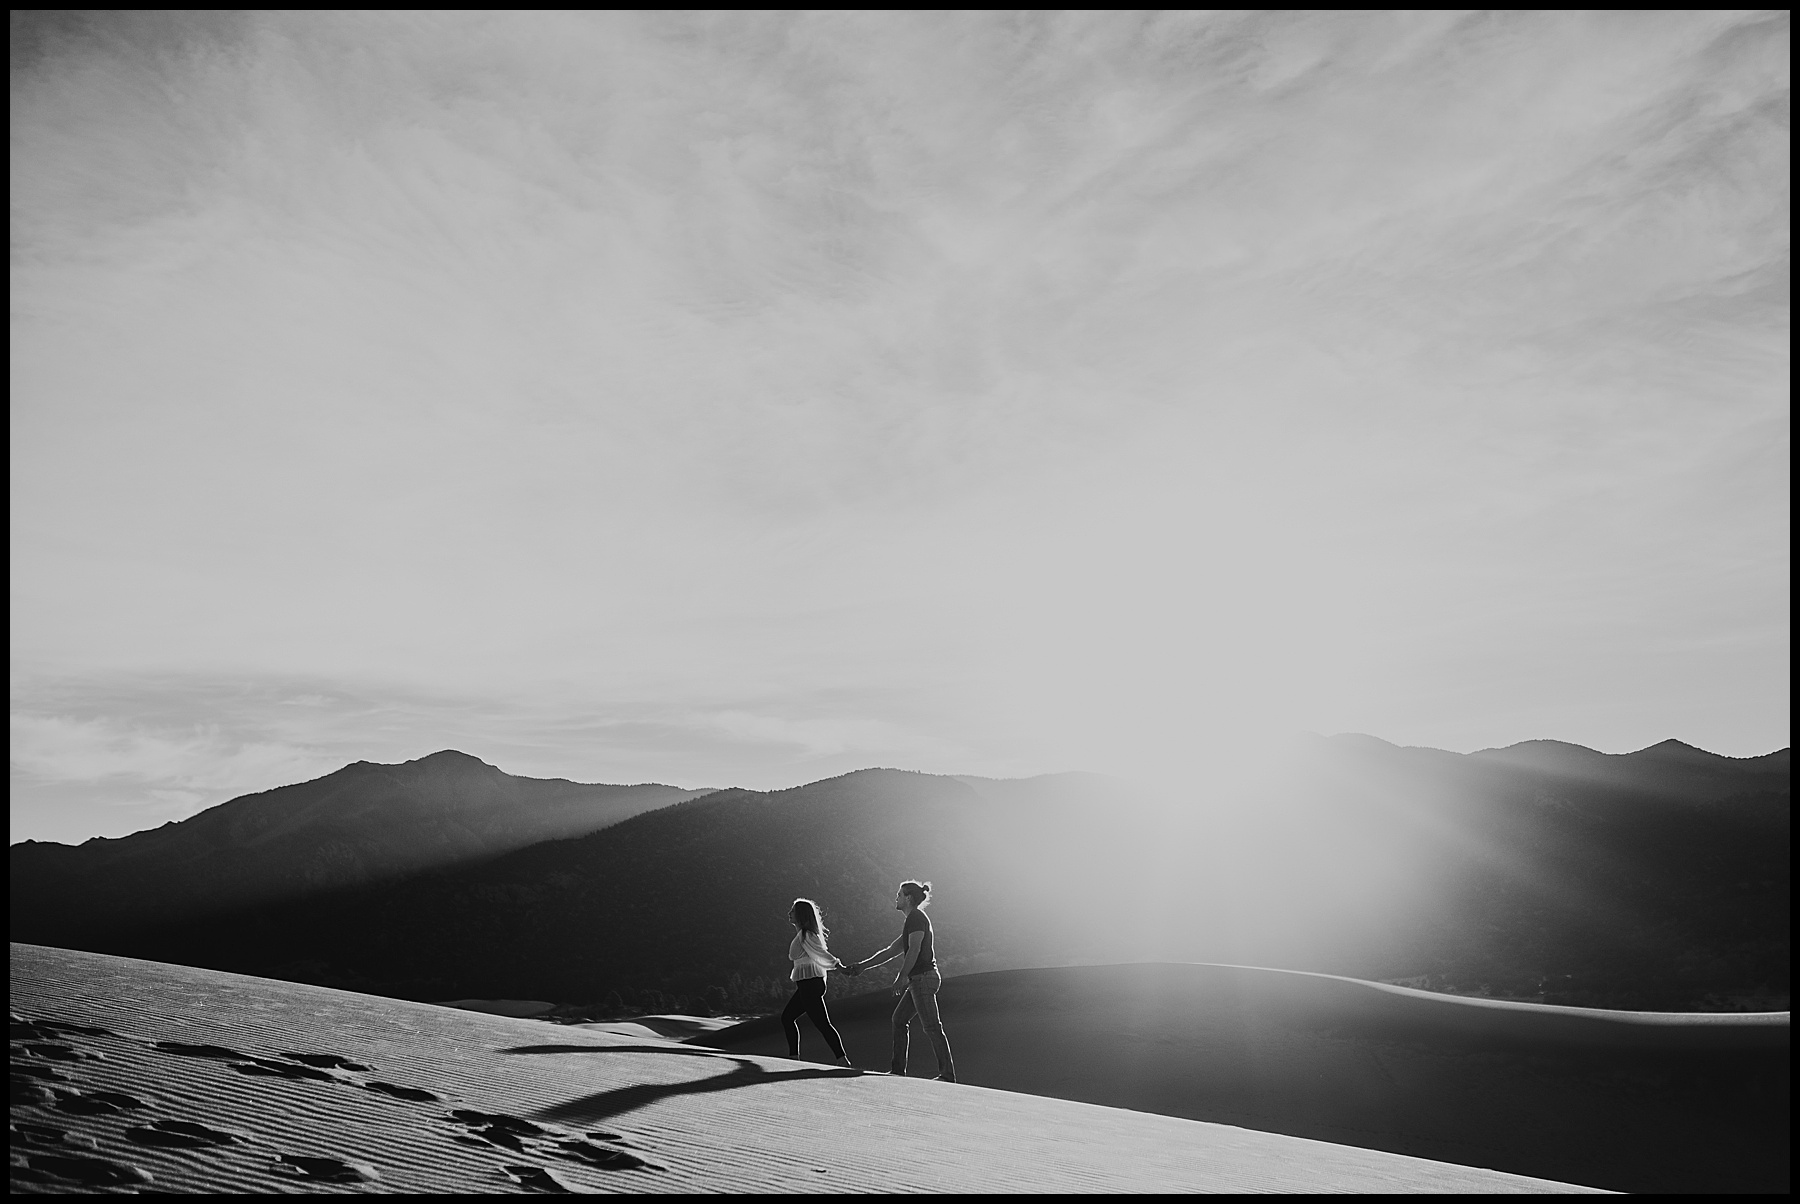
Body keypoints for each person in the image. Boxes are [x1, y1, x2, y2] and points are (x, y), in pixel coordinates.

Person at [844, 880, 956, 1082]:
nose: (896, 898)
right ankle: (897, 1070)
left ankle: (947, 1075)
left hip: (922, 978)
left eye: (899, 895)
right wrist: (862, 966)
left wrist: (902, 975)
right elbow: (890, 952)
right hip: (918, 980)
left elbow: (914, 948)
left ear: (909, 898)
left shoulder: (915, 918)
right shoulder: (912, 920)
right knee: (899, 1020)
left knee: (932, 1027)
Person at [781, 898, 855, 1068]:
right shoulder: (804, 934)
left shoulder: (807, 935)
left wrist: (840, 967)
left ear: (801, 915)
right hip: (808, 984)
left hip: (810, 984)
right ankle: (840, 1059)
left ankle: (841, 1060)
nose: (789, 914)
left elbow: (822, 954)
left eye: (792, 911)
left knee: (819, 1023)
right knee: (790, 1018)